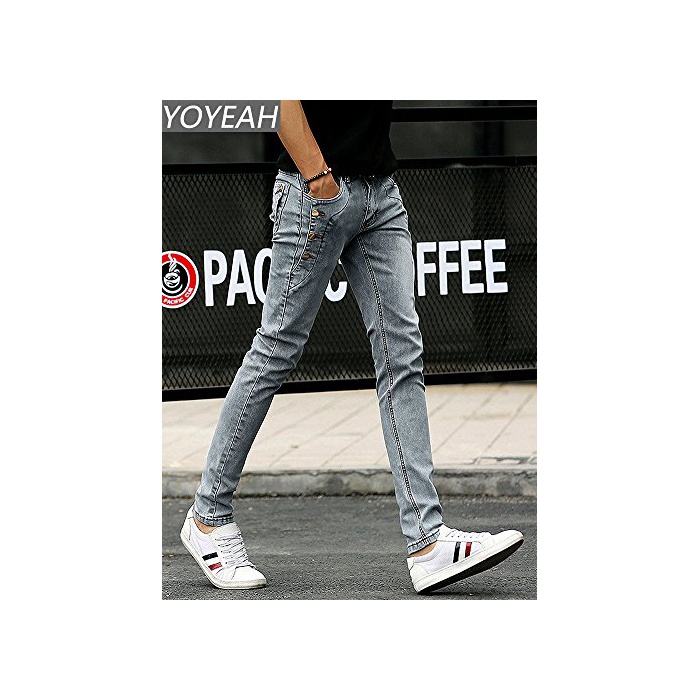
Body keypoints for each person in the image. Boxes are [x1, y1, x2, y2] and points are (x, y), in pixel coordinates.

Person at [180, 100, 524, 594]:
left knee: (402, 356)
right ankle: (208, 515)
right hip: (315, 192)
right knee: (276, 349)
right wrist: (319, 178)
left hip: (380, 191)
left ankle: (428, 542)